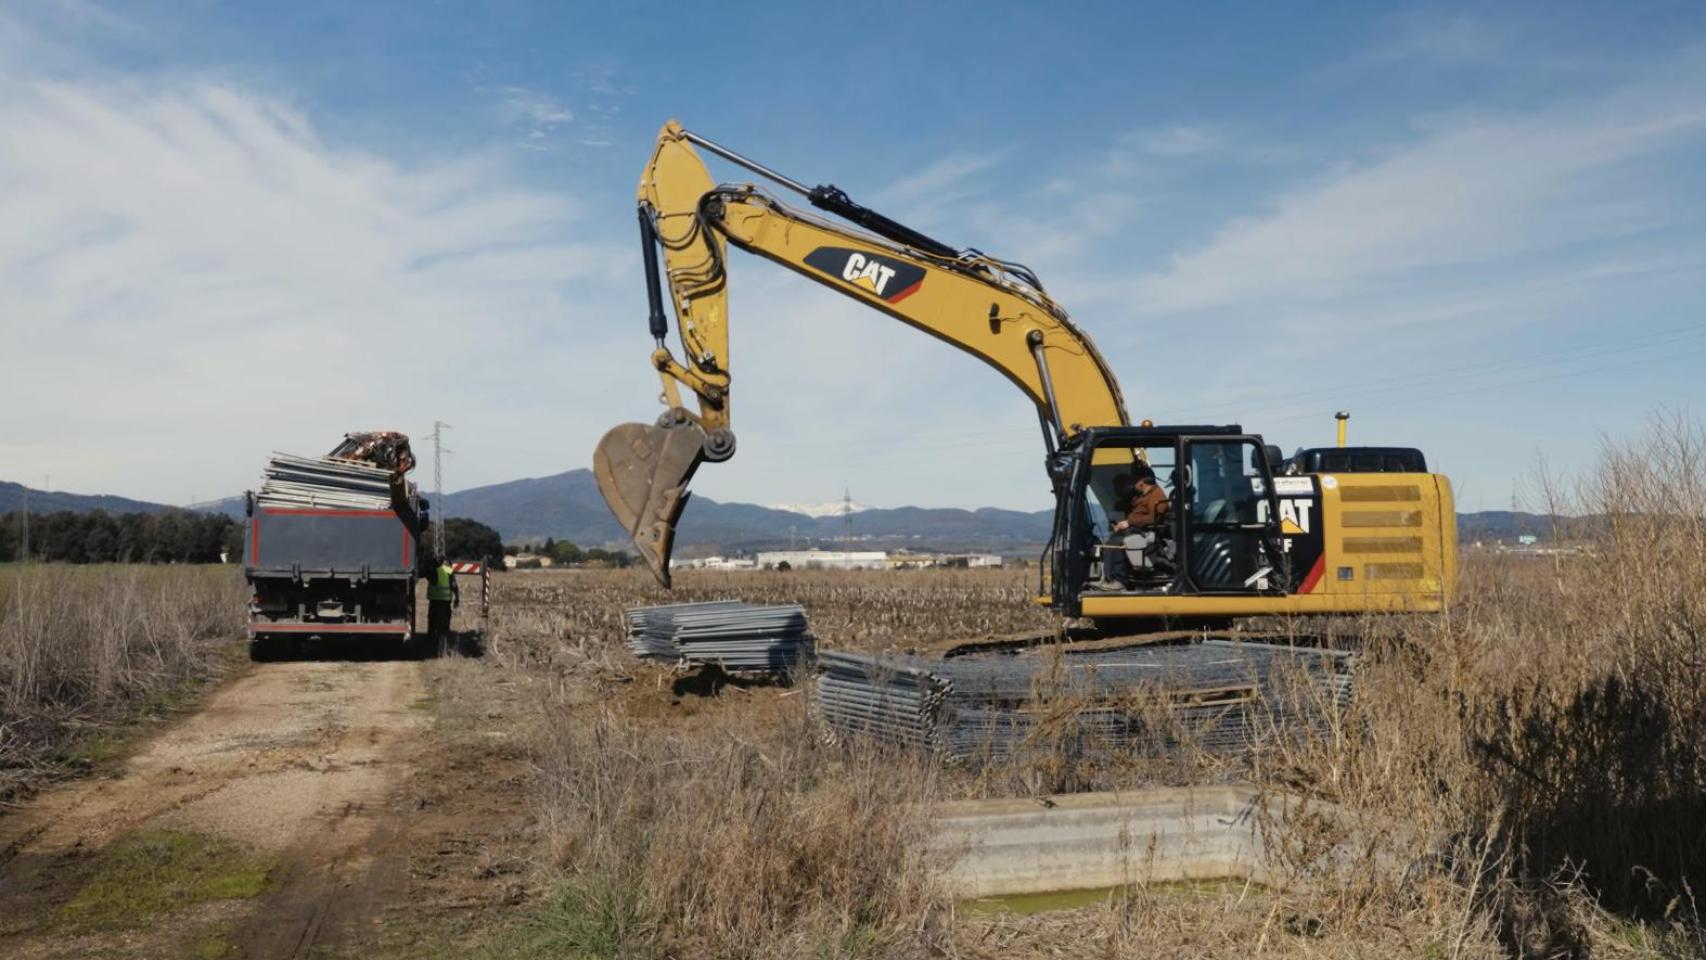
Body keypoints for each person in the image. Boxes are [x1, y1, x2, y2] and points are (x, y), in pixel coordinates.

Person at [1099, 468, 1171, 587]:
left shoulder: (1157, 495)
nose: (1133, 485)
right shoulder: (1142, 496)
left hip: (1144, 530)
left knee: (1117, 542)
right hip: (1135, 528)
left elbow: (1153, 518)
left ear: (1141, 483)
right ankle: (1109, 578)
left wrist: (1129, 522)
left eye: (1134, 482)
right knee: (1111, 542)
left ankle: (1119, 580)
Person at [426, 561, 459, 646]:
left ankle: (430, 641)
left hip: (433, 599)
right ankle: (443, 640)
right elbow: (454, 585)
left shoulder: (433, 570)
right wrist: (457, 598)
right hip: (445, 600)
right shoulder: (449, 570)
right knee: (444, 622)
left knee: (432, 620)